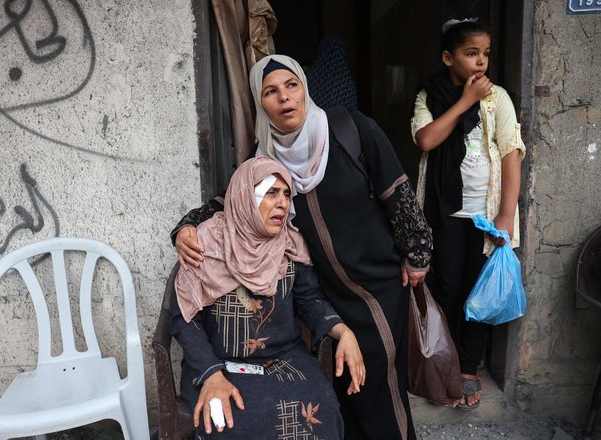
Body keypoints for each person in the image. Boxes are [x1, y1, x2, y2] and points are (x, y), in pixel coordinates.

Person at [173, 54, 432, 439]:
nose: (284, 98)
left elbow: (397, 190)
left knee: (378, 379)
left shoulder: (350, 130)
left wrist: (418, 253)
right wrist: (186, 227)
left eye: (292, 86)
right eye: (271, 91)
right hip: (323, 287)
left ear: (305, 90)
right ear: (260, 103)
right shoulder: (264, 159)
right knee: (343, 388)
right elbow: (232, 202)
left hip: (374, 283)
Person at [171, 156, 365, 439]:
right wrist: (210, 374)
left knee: (321, 409)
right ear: (244, 198)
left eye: (287, 194)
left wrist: (343, 330)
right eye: (271, 193)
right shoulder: (205, 244)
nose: (283, 203)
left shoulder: (290, 245)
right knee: (235, 421)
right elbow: (184, 319)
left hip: (284, 359)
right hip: (219, 364)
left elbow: (310, 300)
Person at [410, 18, 526, 410]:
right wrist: (464, 102)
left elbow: (511, 153)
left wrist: (506, 214)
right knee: (444, 289)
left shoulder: (499, 99)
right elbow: (426, 138)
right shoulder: (431, 94)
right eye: (470, 53)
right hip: (444, 214)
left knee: (479, 294)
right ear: (448, 58)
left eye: (486, 54)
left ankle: (469, 367)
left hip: (485, 215)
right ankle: (443, 364)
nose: (481, 62)